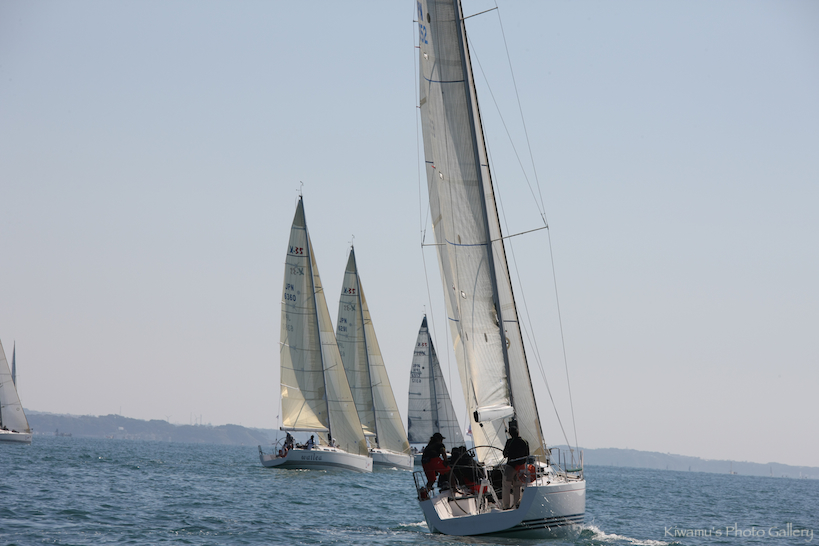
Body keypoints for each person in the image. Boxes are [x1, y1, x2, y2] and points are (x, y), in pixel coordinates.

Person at [502, 420, 529, 509]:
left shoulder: (510, 441)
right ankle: (517, 505)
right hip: (521, 467)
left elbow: (505, 454)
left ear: (511, 434)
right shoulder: (525, 442)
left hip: (511, 466)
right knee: (517, 486)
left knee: (506, 485)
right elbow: (527, 455)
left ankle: (506, 506)